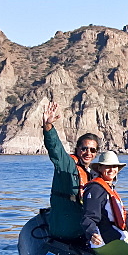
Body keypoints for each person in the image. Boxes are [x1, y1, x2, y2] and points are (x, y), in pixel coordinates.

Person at [42, 101, 100, 241]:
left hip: (84, 231)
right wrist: (48, 126)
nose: (88, 153)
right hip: (65, 229)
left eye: (92, 150)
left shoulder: (93, 174)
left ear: (96, 153)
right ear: (77, 149)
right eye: (84, 148)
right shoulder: (66, 165)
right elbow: (55, 148)